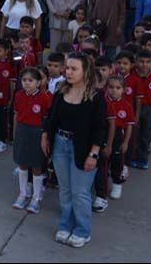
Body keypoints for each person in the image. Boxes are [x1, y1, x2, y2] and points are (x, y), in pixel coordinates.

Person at [42, 53, 107, 248]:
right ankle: (65, 225)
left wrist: (93, 154)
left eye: (73, 69)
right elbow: (51, 116)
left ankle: (82, 230)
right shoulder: (61, 90)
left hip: (83, 148)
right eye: (67, 68)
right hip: (60, 144)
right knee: (66, 189)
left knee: (80, 192)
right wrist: (46, 135)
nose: (68, 72)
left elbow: (100, 128)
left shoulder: (95, 97)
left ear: (85, 71)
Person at [12, 68, 52, 213]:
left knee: (36, 166)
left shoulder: (44, 97)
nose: (27, 83)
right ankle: (23, 194)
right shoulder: (18, 95)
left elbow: (48, 119)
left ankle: (36, 197)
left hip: (37, 133)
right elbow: (16, 115)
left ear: (39, 82)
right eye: (24, 80)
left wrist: (46, 137)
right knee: (22, 163)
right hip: (22, 131)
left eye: (31, 80)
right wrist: (15, 133)